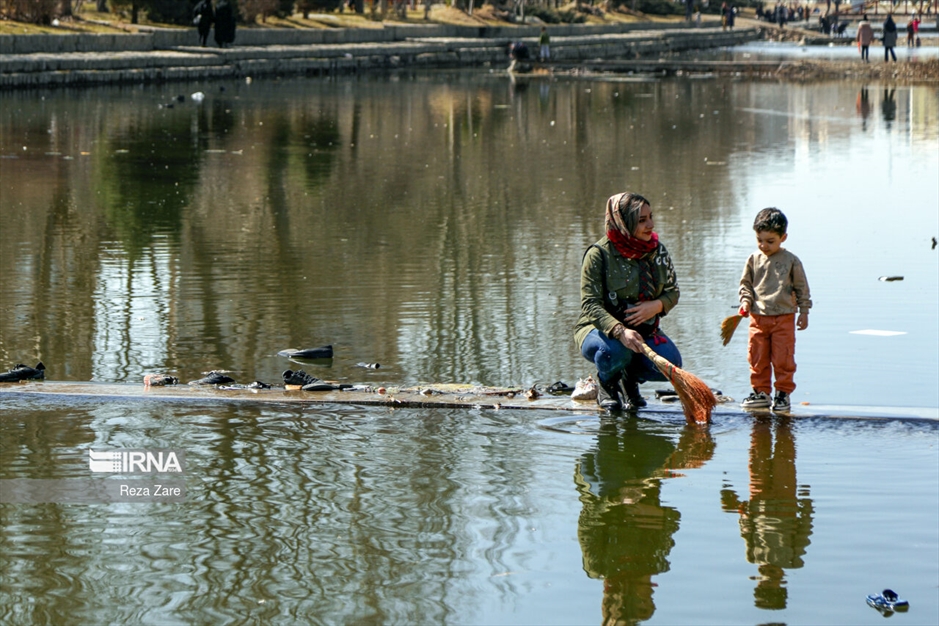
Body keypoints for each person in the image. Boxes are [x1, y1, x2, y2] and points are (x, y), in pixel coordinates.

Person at [574, 192, 682, 411]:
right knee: (616, 351)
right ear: (623, 222)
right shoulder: (598, 255)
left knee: (672, 363)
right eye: (642, 220)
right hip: (598, 331)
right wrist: (620, 331)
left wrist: (657, 305)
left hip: (643, 330)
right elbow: (590, 305)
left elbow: (672, 291)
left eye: (650, 217)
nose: (650, 225)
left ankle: (628, 380)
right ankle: (607, 383)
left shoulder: (657, 251)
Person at [738, 208, 812, 413]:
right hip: (758, 317)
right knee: (757, 356)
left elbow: (802, 288)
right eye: (760, 240)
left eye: (770, 241)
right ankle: (760, 392)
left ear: (783, 238)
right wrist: (745, 302)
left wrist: (804, 311)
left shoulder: (791, 261)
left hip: (784, 317)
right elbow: (745, 285)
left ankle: (782, 393)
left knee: (783, 358)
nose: (764, 245)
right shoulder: (753, 259)